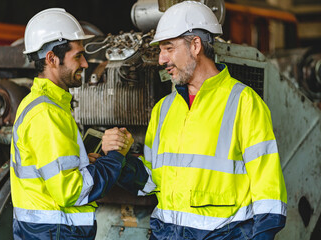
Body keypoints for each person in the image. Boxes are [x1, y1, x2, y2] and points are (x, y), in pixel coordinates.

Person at [101, 1, 287, 239]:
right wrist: (118, 159)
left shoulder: (244, 104)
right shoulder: (163, 109)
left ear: (195, 45)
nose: (161, 59)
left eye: (168, 48)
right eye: (160, 50)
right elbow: (151, 181)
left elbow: (269, 197)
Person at [10, 8, 133, 240]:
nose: (85, 64)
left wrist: (84, 160)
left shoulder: (42, 104)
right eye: (77, 56)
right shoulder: (46, 113)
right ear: (51, 59)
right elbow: (72, 192)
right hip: (55, 233)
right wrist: (115, 157)